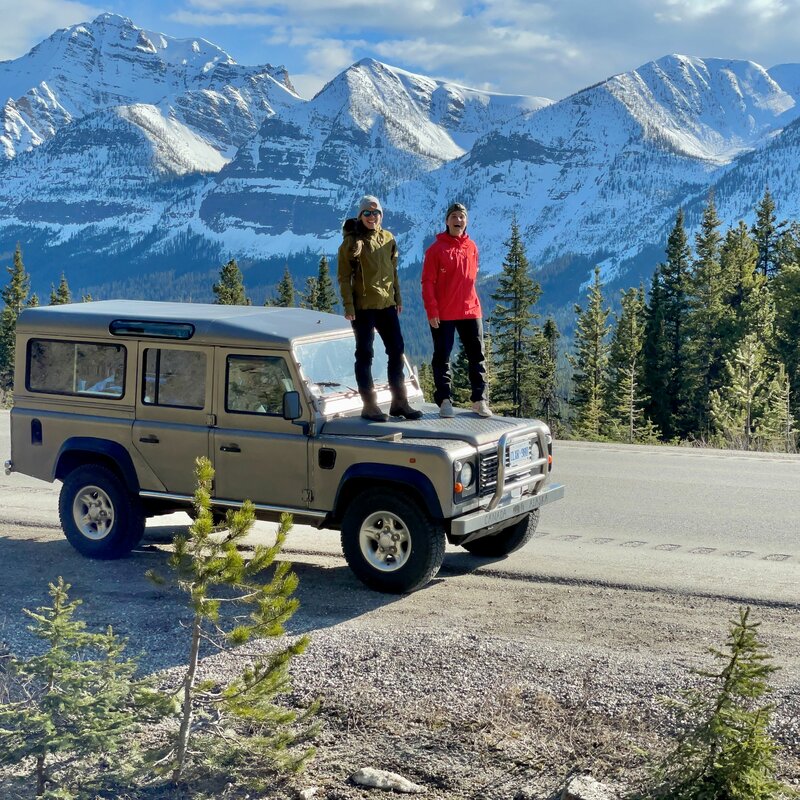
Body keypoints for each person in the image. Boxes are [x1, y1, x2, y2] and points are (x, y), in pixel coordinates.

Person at [337, 195, 422, 422]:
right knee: (365, 355)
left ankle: (399, 403)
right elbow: (344, 277)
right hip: (363, 308)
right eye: (367, 213)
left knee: (397, 351)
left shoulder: (388, 238)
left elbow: (393, 272)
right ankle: (370, 405)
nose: (372, 217)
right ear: (360, 216)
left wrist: (398, 298)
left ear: (381, 215)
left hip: (387, 306)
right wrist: (348, 305)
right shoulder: (351, 242)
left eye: (376, 213)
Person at [421, 202, 491, 418]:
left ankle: (479, 400)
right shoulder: (435, 250)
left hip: (471, 310)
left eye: (461, 217)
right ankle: (444, 400)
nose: (458, 220)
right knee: (442, 356)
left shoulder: (472, 247)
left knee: (477, 356)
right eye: (454, 216)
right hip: (444, 312)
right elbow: (427, 282)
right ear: (446, 221)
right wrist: (432, 310)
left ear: (466, 221)